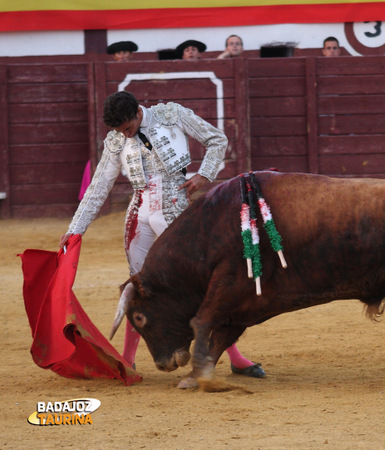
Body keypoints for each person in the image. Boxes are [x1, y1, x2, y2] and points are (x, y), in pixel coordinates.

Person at [59, 91, 265, 378]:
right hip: (138, 215)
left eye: (128, 128)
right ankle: (128, 361)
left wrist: (203, 174)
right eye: (119, 131)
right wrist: (74, 230)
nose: (125, 135)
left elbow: (217, 139)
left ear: (137, 113)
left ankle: (235, 357)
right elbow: (97, 189)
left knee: (200, 284)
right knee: (138, 288)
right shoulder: (116, 139)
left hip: (175, 206)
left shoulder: (172, 115)